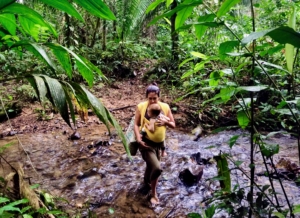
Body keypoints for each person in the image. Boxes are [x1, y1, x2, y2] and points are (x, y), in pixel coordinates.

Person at [134, 82, 176, 205]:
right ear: (147, 97)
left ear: (159, 97)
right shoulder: (141, 107)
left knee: (151, 165)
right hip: (145, 144)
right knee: (157, 168)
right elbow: (136, 124)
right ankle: (153, 194)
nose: (152, 101)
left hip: (158, 145)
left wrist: (166, 123)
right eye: (150, 98)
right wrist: (138, 139)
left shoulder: (165, 107)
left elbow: (173, 125)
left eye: (155, 98)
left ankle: (146, 181)